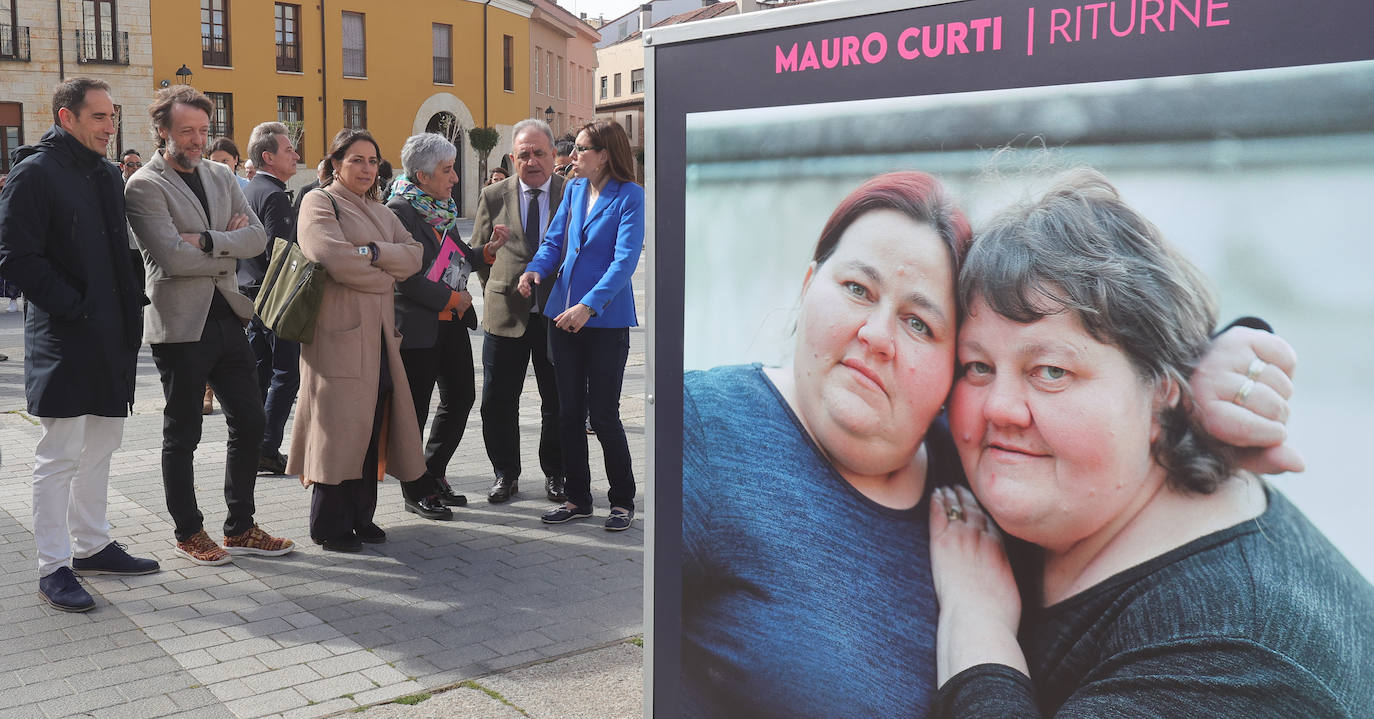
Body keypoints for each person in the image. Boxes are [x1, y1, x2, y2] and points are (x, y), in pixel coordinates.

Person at [678, 171, 1301, 718]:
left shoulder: (979, 462)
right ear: (810, 282)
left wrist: (1195, 368)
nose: (876, 335)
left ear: (948, 371)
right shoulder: (702, 429)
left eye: (920, 323)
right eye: (856, 289)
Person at [928, 169, 1374, 718]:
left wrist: (976, 626)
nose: (998, 407)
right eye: (977, 367)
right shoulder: (1077, 495)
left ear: (1162, 390)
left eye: (1050, 370)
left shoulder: (1234, 656)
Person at [0, 77, 159, 613]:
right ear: (66, 118)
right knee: (60, 454)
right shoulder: (34, 173)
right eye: (99, 118)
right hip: (64, 340)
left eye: (113, 117)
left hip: (111, 336)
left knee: (103, 447)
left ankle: (92, 545)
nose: (110, 128)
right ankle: (54, 565)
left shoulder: (107, 175)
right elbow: (15, 258)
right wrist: (75, 306)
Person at [126, 85, 295, 566]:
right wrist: (225, 244)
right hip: (181, 325)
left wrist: (204, 240)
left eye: (204, 130)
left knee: (252, 419)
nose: (198, 139)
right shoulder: (143, 185)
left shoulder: (221, 174)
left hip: (228, 314)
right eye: (187, 131)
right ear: (162, 131)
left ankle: (240, 526)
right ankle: (188, 530)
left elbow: (257, 237)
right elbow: (168, 257)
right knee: (183, 433)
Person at [290, 128, 454, 553]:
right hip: (337, 336)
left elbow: (413, 254)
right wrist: (383, 265)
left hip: (380, 336)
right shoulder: (318, 201)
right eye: (356, 160)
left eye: (371, 161)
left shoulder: (380, 209)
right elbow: (331, 258)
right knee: (338, 428)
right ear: (336, 163)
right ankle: (330, 524)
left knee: (372, 426)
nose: (365, 169)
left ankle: (363, 515)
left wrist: (373, 254)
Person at [518, 120, 644, 530]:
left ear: (605, 154)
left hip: (605, 320)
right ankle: (577, 499)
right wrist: (535, 271)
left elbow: (624, 262)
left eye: (582, 149)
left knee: (603, 415)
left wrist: (588, 307)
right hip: (562, 315)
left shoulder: (630, 196)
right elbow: (553, 242)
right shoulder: (572, 189)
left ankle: (622, 500)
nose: (573, 156)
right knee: (568, 413)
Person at [388, 133, 503, 507]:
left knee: (460, 398)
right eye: (447, 170)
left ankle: (432, 471)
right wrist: (450, 297)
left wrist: (483, 253)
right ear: (422, 176)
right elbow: (403, 276)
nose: (454, 178)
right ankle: (414, 489)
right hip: (418, 327)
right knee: (415, 410)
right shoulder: (399, 212)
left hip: (451, 321)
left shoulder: (442, 208)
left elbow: (451, 258)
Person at [471, 119, 567, 504]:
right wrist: (495, 289)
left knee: (557, 400)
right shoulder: (494, 195)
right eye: (523, 154)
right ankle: (505, 473)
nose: (531, 161)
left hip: (557, 314)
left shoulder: (572, 193)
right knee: (497, 401)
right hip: (504, 313)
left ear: (553, 155)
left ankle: (557, 474)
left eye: (539, 153)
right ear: (513, 158)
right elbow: (478, 253)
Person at [240, 122, 302, 475]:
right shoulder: (275, 195)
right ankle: (266, 446)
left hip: (251, 293)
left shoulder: (250, 189)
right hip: (275, 294)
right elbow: (279, 253)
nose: (295, 155)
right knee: (286, 374)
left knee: (260, 371)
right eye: (289, 150)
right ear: (268, 156)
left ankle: (250, 441)